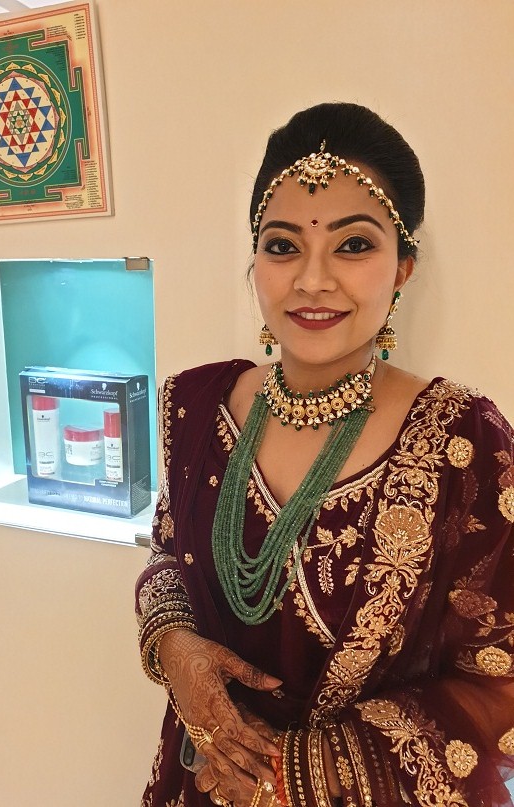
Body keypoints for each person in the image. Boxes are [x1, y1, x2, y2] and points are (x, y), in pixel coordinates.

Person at [135, 102, 514, 807]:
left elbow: (501, 675)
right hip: (202, 779)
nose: (311, 279)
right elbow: (166, 551)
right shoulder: (194, 406)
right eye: (282, 246)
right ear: (254, 261)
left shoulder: (462, 441)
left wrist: (302, 768)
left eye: (353, 245)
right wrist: (172, 645)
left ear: (402, 268)